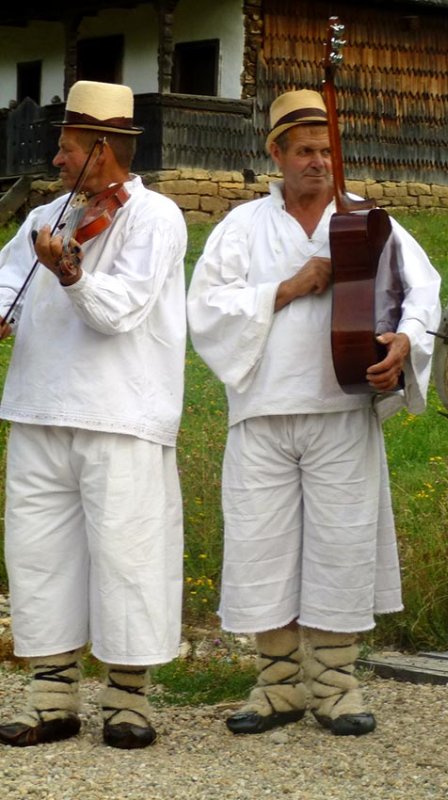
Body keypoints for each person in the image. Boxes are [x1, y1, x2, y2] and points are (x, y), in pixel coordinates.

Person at [186, 89, 441, 737]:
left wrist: (405, 341)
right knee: (260, 546)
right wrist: (289, 287)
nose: (317, 163)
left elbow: (425, 288)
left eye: (326, 150)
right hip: (263, 415)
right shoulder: (241, 227)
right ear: (274, 154)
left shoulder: (365, 219)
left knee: (340, 544)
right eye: (303, 151)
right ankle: (276, 687)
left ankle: (333, 687)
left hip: (339, 409)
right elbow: (207, 310)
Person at [0, 81, 187, 749]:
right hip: (38, 409)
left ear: (101, 149)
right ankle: (52, 696)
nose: (56, 157)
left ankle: (129, 701)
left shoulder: (156, 216)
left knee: (128, 557)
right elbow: (5, 282)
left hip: (121, 414)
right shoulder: (43, 218)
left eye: (68, 146)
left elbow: (122, 311)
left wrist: (73, 276)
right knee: (38, 554)